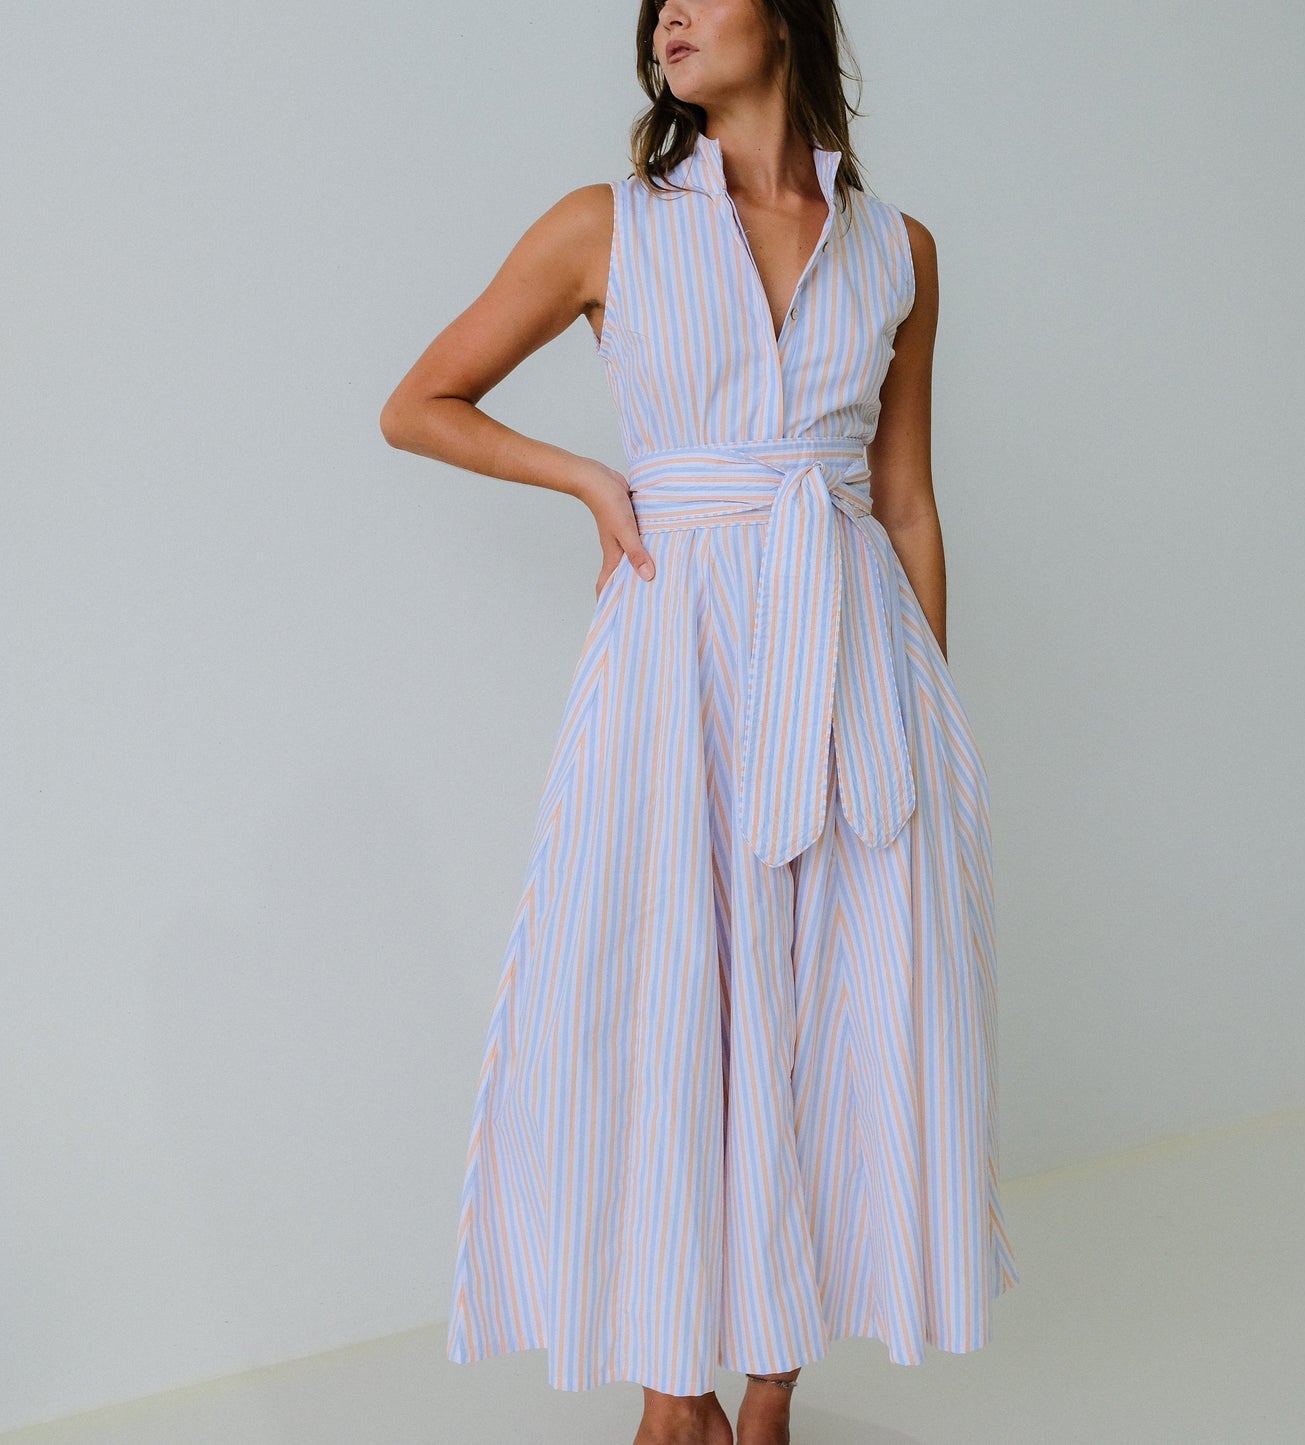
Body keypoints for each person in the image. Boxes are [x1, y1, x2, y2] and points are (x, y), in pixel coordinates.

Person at [380, 2, 1019, 1441]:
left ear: (787, 17)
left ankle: (771, 1391)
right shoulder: (602, 225)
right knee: (677, 997)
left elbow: (905, 499)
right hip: (679, 668)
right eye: (655, 0)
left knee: (837, 1002)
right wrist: (598, 484)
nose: (668, 13)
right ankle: (677, 1392)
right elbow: (420, 402)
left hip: (862, 673)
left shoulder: (895, 251)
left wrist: (932, 719)